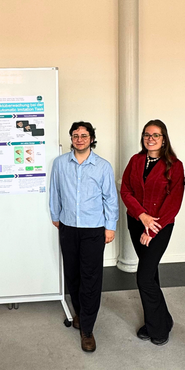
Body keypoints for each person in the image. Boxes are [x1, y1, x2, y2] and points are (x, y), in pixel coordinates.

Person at [49, 121, 119, 352]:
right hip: (68, 226)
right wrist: (55, 216)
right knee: (73, 275)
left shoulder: (102, 166)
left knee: (90, 278)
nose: (79, 139)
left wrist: (110, 227)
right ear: (71, 138)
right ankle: (80, 312)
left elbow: (110, 198)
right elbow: (55, 191)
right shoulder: (60, 163)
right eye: (75, 135)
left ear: (91, 139)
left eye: (84, 135)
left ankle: (87, 329)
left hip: (93, 229)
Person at [120, 120, 184, 345]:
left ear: (164, 139)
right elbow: (125, 190)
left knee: (144, 278)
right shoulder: (136, 160)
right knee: (151, 274)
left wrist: (152, 229)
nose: (151, 138)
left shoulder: (174, 165)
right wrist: (141, 216)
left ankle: (158, 329)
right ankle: (162, 319)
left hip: (160, 225)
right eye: (147, 134)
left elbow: (174, 201)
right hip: (136, 222)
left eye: (156, 135)